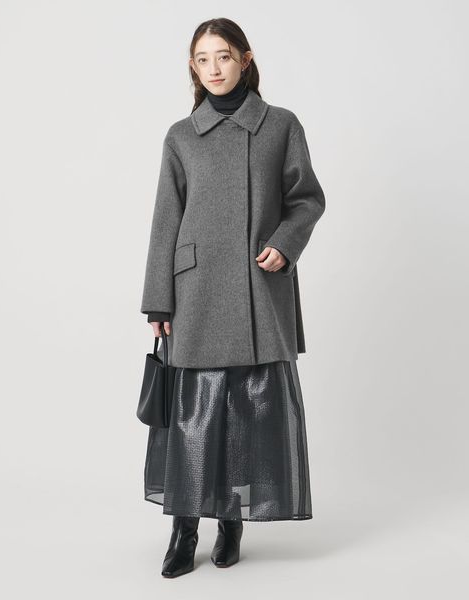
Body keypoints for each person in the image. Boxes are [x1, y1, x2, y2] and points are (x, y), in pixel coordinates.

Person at [140, 17, 326, 578]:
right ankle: (183, 529)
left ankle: (231, 521)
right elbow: (165, 221)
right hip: (196, 290)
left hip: (256, 286)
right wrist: (158, 301)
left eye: (223, 56)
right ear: (192, 67)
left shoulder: (280, 125)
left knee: (246, 412)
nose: (214, 68)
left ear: (246, 59)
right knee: (192, 418)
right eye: (203, 59)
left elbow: (306, 200)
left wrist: (284, 245)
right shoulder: (180, 136)